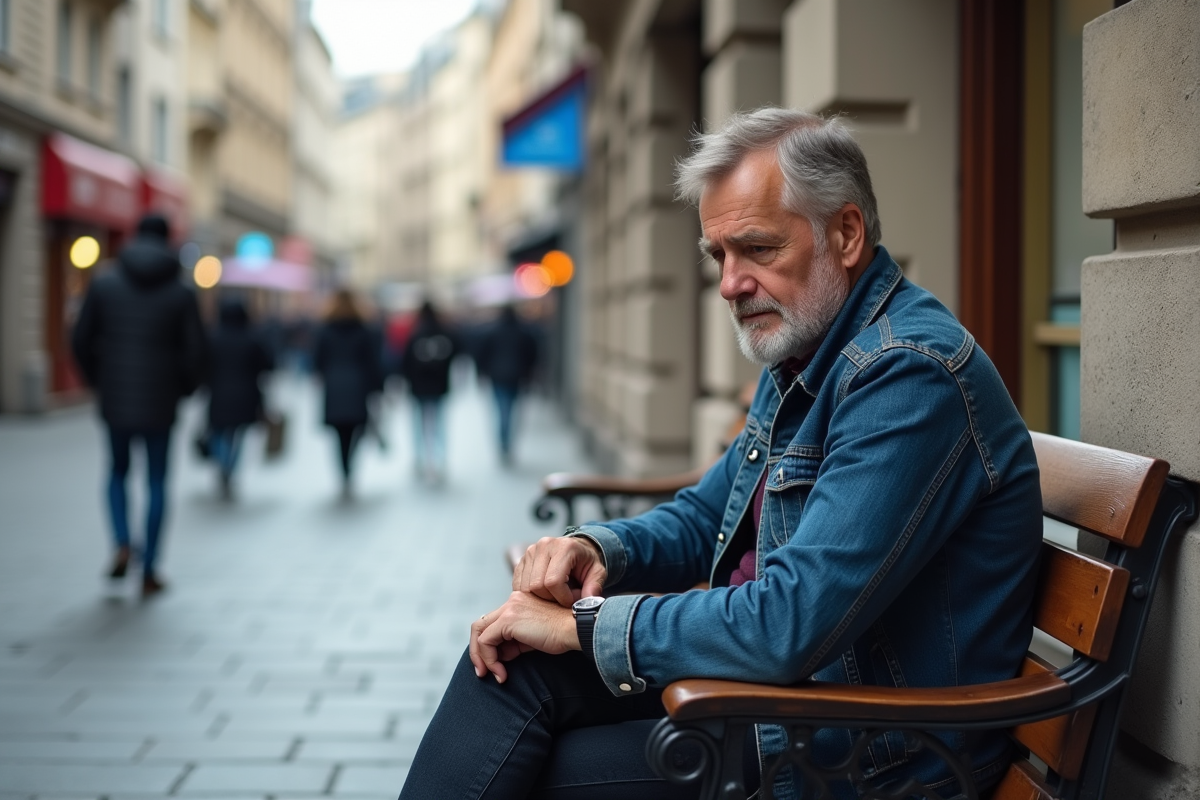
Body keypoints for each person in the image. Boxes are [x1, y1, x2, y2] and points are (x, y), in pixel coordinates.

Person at [399, 107, 1043, 799]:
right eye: (718, 256)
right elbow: (708, 512)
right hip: (775, 706)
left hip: (857, 751)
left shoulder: (908, 374)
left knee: (543, 768)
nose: (730, 284)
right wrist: (597, 548)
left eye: (758, 249)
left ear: (846, 234)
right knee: (507, 662)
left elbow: (788, 621)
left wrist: (581, 625)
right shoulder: (805, 354)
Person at [71, 213, 208, 599]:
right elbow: (196, 351)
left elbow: (80, 339)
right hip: (161, 401)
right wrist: (183, 389)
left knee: (116, 471)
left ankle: (121, 543)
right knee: (157, 481)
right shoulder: (181, 290)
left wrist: (99, 380)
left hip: (115, 398)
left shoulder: (104, 282)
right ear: (167, 240)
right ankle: (149, 569)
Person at [313, 289, 382, 497]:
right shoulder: (363, 329)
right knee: (357, 429)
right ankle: (349, 466)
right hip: (357, 385)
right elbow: (372, 361)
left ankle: (344, 470)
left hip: (334, 385)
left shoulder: (325, 330)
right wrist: (377, 387)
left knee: (339, 434)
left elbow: (318, 361)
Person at [205, 296, 274, 500]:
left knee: (218, 432)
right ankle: (230, 467)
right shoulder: (252, 338)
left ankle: (222, 463)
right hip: (246, 394)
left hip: (218, 393)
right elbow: (267, 364)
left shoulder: (213, 337)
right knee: (239, 435)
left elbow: (202, 364)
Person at [399, 300, 459, 484]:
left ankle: (419, 458)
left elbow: (405, 362)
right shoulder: (445, 333)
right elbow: (455, 355)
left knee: (418, 423)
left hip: (418, 386)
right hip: (439, 385)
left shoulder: (415, 334)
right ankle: (440, 459)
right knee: (439, 422)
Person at [476, 305, 539, 464]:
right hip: (517, 377)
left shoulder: (492, 332)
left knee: (502, 410)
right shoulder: (523, 332)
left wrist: (482, 373)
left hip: (498, 377)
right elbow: (532, 355)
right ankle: (508, 443)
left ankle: (504, 443)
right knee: (512, 410)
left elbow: (482, 354)